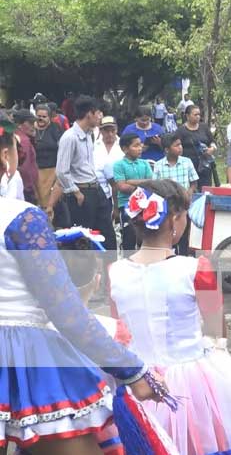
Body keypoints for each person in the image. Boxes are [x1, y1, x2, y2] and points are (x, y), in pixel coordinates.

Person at [0, 117, 162, 453]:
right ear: (6, 157)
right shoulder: (21, 218)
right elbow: (67, 315)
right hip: (25, 364)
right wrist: (132, 369)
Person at [109, 180, 231, 455]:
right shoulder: (195, 268)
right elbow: (218, 331)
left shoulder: (114, 273)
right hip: (192, 386)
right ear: (174, 220)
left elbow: (120, 334)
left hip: (138, 383)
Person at [55, 95, 116, 250]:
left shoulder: (90, 134)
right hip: (81, 192)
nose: (99, 117)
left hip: (96, 188)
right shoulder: (69, 137)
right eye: (98, 113)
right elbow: (62, 171)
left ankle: (108, 271)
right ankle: (84, 272)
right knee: (83, 238)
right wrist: (76, 192)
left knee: (108, 235)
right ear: (89, 114)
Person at [113, 133, 153, 252]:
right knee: (129, 236)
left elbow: (151, 183)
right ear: (125, 149)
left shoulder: (145, 163)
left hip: (145, 204)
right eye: (136, 146)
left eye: (140, 145)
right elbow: (122, 187)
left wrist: (131, 181)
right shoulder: (119, 165)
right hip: (126, 205)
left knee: (145, 236)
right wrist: (141, 186)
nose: (140, 148)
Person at [176, 104, 216, 190]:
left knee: (205, 188)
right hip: (189, 164)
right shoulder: (181, 131)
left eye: (199, 114)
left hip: (204, 164)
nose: (198, 117)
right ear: (187, 116)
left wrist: (212, 149)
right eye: (195, 114)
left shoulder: (204, 127)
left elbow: (212, 141)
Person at [93, 116, 123, 227]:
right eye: (106, 130)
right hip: (99, 194)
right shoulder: (94, 146)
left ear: (117, 129)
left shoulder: (123, 146)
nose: (110, 134)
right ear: (100, 130)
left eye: (112, 130)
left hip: (120, 193)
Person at [33, 104, 63, 209]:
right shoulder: (31, 129)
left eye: (44, 116)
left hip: (52, 170)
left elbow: (61, 146)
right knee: (37, 199)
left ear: (49, 117)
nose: (40, 118)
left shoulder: (55, 128)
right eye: (38, 116)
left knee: (49, 201)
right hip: (36, 170)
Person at [14, 109, 39, 204]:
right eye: (30, 123)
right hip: (25, 190)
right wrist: (30, 188)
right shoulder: (23, 140)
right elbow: (25, 168)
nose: (34, 125)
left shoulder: (16, 137)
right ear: (19, 124)